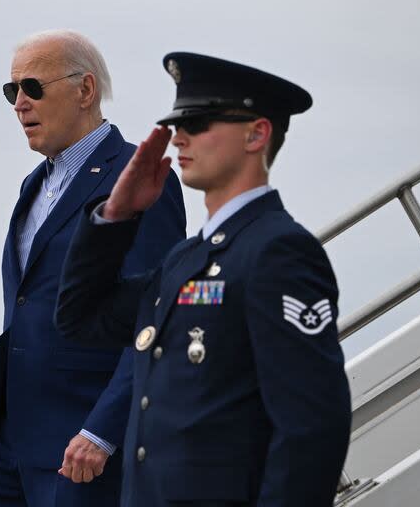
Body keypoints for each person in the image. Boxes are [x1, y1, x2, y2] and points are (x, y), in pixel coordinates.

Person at [55, 52, 352, 507]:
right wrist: (116, 217)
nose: (180, 137)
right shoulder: (185, 259)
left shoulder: (278, 252)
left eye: (200, 122)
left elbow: (311, 428)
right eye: (178, 124)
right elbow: (79, 317)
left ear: (257, 133)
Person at [0, 31, 186, 506]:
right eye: (11, 91)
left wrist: (103, 429)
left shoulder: (135, 177)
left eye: (32, 87)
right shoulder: (32, 186)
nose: (19, 104)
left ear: (85, 90)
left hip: (79, 444)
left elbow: (156, 316)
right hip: (6, 438)